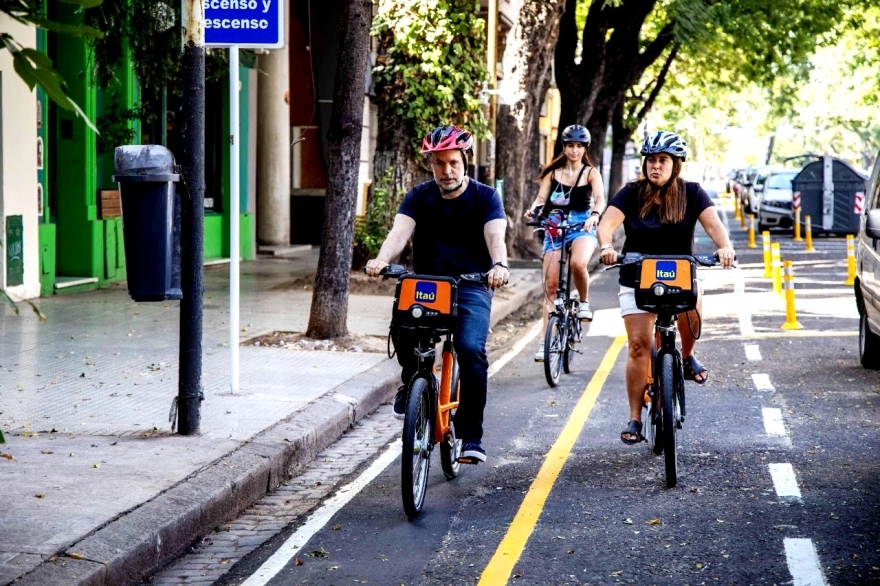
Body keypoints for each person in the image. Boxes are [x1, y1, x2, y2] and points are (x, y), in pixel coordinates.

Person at [365, 125, 509, 464]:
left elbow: (495, 236)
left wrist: (499, 264)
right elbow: (399, 232)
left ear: (465, 161)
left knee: (470, 350)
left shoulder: (486, 197)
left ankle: (471, 435)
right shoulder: (419, 196)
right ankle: (413, 382)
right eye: (439, 163)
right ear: (431, 164)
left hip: (472, 284)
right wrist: (382, 260)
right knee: (403, 327)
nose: (447, 170)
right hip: (427, 284)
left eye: (453, 162)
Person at [596, 130, 736, 444]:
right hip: (636, 277)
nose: (656, 166)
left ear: (676, 165)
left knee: (695, 304)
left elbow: (714, 225)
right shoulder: (631, 192)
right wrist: (606, 246)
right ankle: (635, 418)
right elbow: (607, 224)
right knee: (638, 345)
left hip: (680, 276)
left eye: (663, 160)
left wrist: (725, 248)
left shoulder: (692, 192)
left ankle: (686, 357)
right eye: (651, 160)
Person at [524, 124, 605, 362]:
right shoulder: (553, 173)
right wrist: (534, 211)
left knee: (578, 263)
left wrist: (594, 216)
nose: (574, 150)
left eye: (579, 146)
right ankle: (545, 343)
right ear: (564, 147)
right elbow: (541, 198)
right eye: (570, 145)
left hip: (582, 225)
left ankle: (584, 302)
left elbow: (600, 198)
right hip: (555, 225)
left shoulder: (591, 173)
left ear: (585, 148)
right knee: (551, 287)